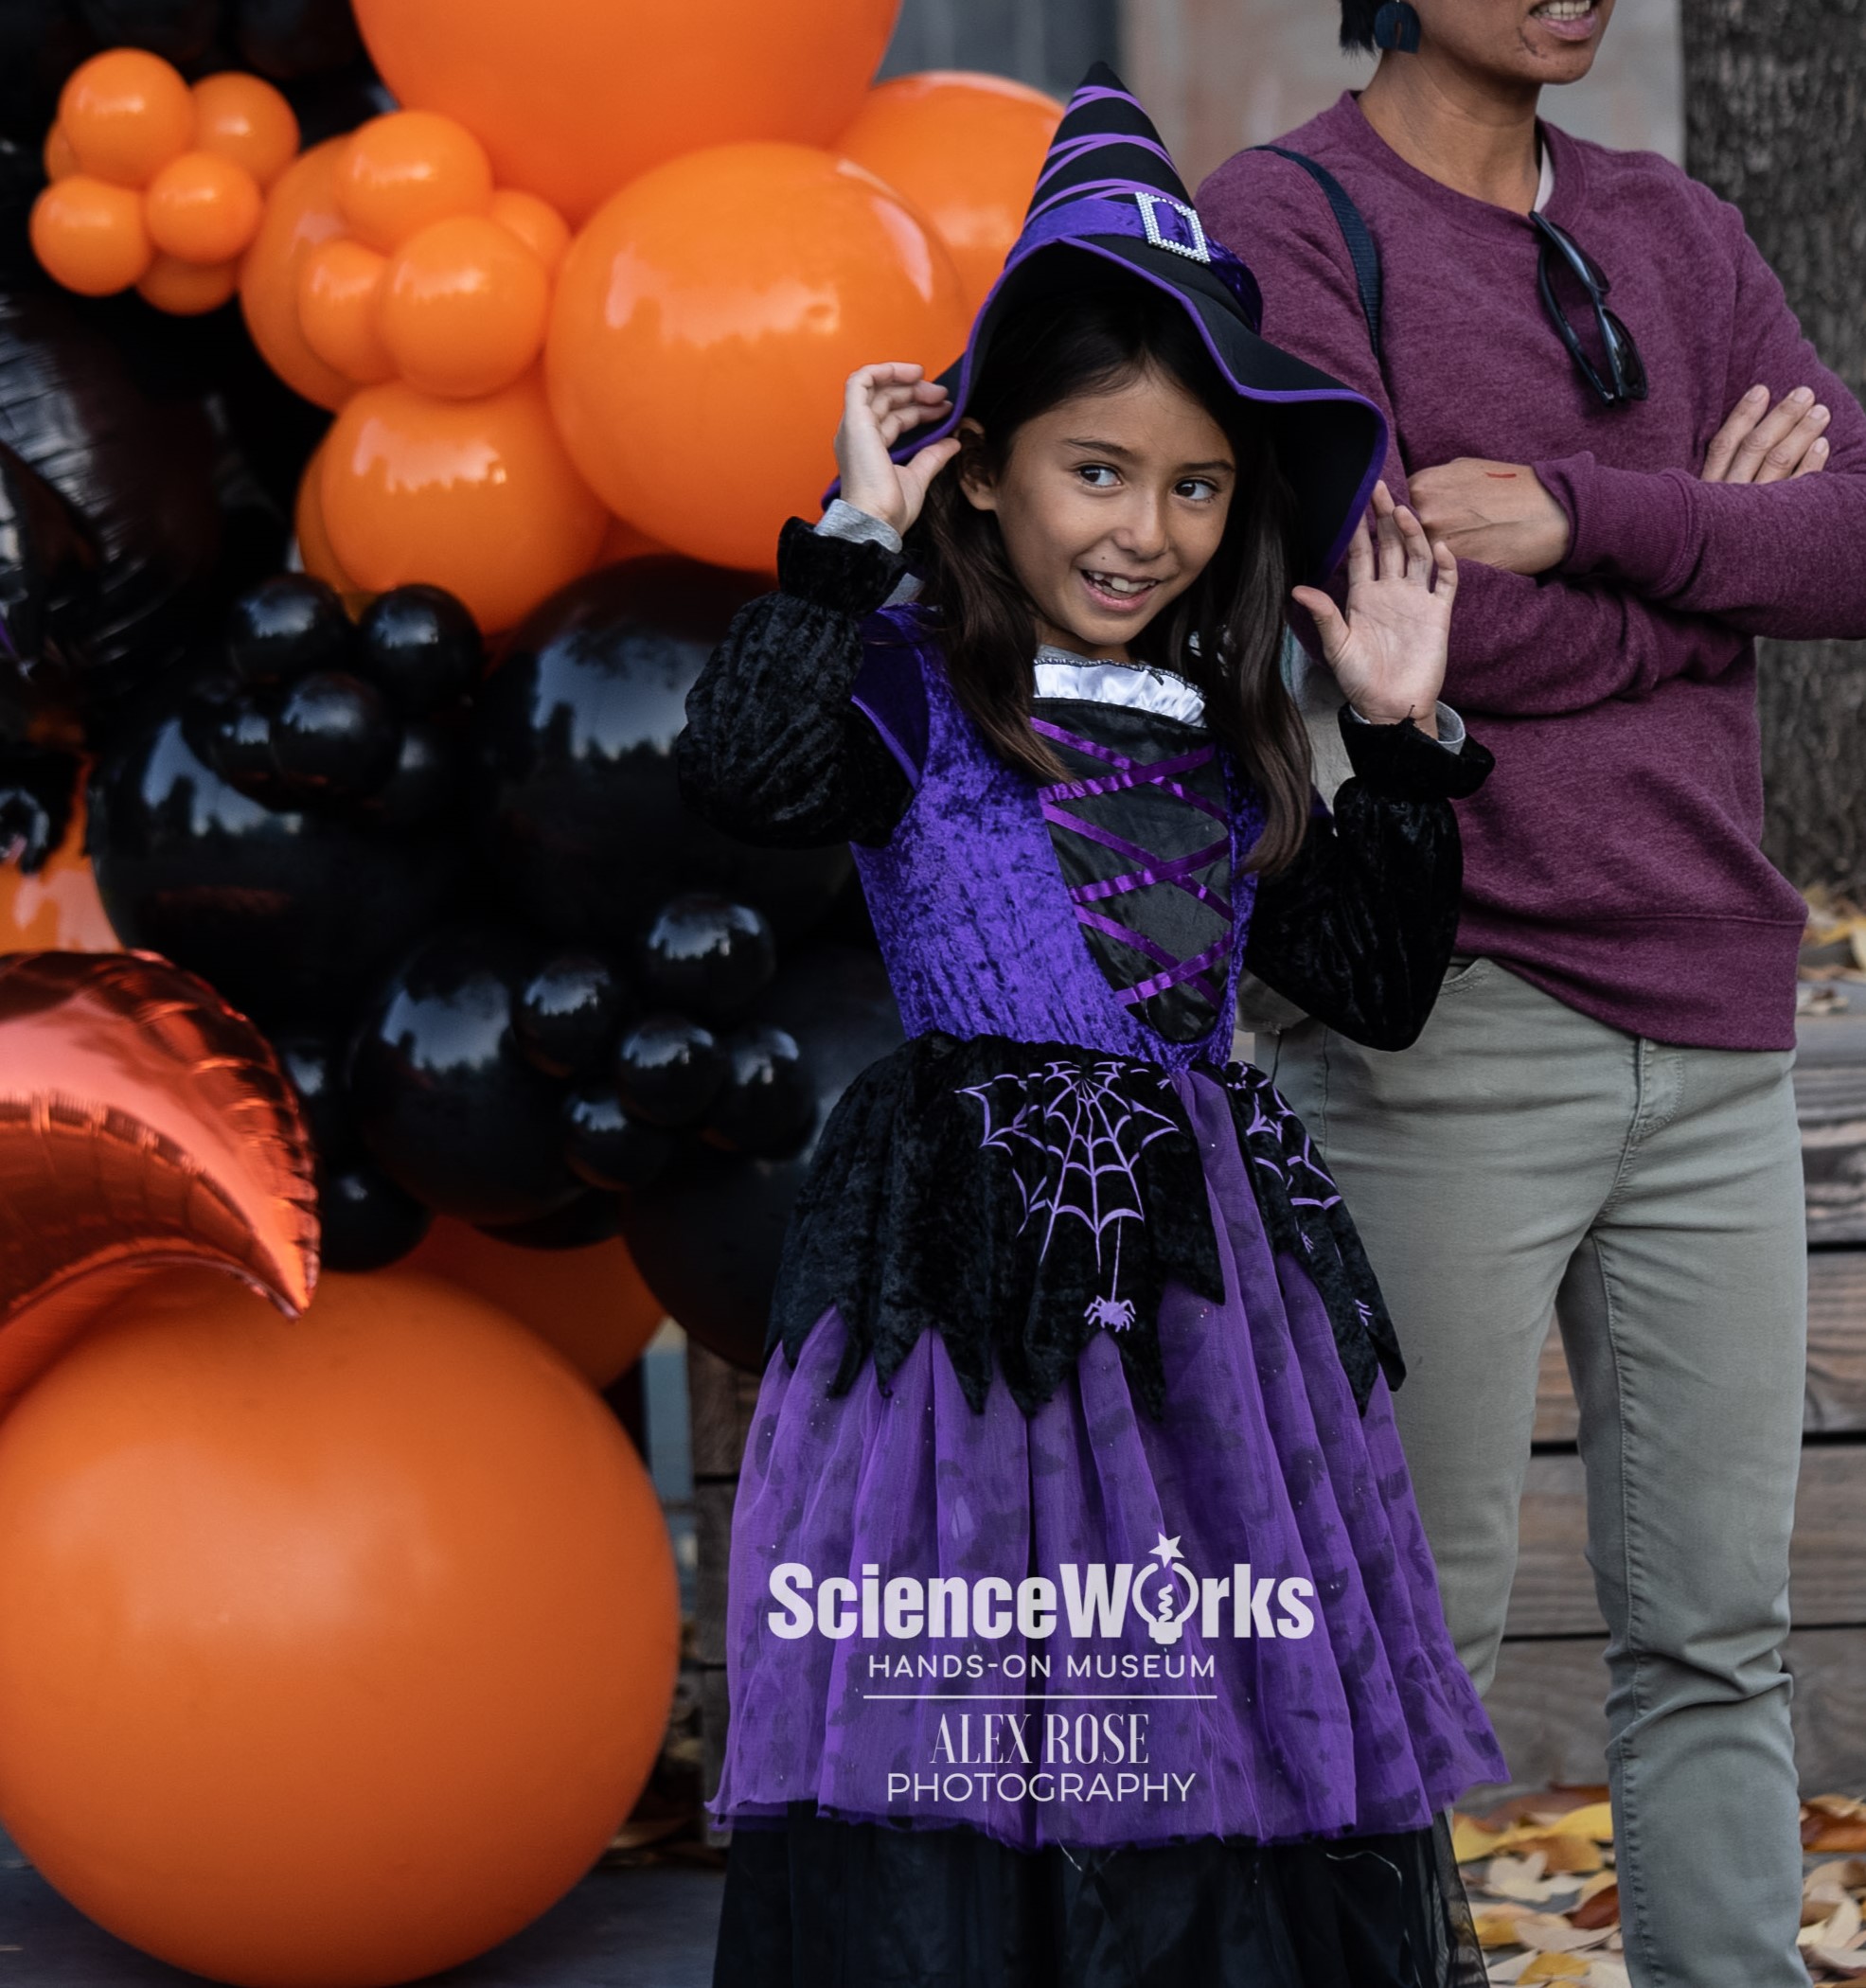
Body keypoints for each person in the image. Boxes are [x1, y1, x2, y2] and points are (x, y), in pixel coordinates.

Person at [678, 65, 1509, 1988]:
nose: (1145, 529)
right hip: (966, 1302)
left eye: (1197, 487)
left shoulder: (1231, 738)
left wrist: (1383, 734)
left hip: (1203, 1325)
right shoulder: (906, 683)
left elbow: (1372, 987)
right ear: (984, 467)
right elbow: (744, 778)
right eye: (1095, 470)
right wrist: (839, 553)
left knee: (1194, 1715)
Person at [1196, 7, 1866, 1986]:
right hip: (1450, 1025)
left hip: (1718, 1020)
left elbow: (1843, 545)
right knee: (1407, 1648)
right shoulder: (1289, 218)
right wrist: (1705, 574)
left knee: (1712, 1637)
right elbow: (1387, 614)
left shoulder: (1674, 225)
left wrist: (1588, 515)